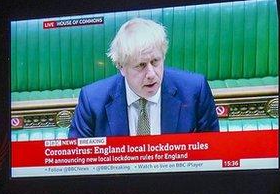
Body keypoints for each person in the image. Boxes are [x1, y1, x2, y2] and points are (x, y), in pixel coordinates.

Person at [68, 18, 220, 138]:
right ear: (121, 67)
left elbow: (212, 153)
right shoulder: (92, 101)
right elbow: (76, 165)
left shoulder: (195, 90)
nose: (151, 74)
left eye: (155, 61)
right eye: (140, 65)